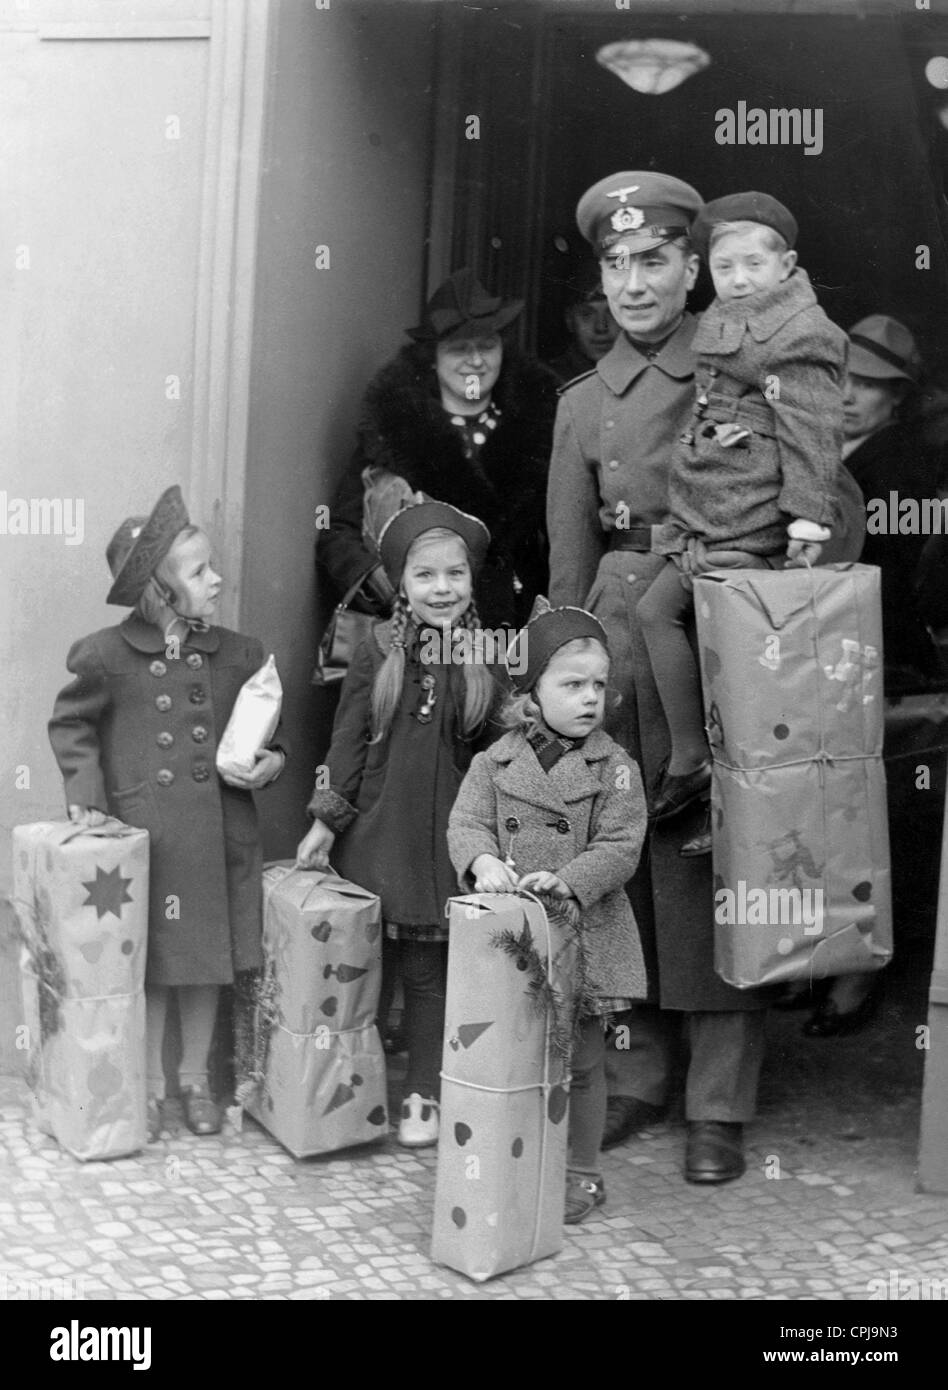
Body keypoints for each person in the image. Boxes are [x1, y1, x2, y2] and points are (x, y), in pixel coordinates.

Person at [546, 171, 867, 1182]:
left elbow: (833, 494)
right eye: (616, 263)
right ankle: (639, 1075)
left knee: (730, 863)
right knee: (623, 858)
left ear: (696, 268)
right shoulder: (580, 402)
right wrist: (556, 663)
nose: (635, 282)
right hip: (620, 640)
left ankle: (718, 1104)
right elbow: (563, 558)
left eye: (656, 261)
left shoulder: (746, 355)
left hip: (730, 628)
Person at [48, 485, 285, 1143]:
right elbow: (72, 723)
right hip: (148, 836)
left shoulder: (237, 653)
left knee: (205, 962)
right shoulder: (106, 654)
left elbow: (263, 734)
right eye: (199, 570)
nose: (216, 580)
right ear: (159, 586)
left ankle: (191, 1082)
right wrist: (86, 799)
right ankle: (150, 1087)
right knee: (152, 967)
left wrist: (273, 764)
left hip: (216, 833)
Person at [637, 193, 847, 838]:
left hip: (751, 519)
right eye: (724, 266)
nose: (739, 278)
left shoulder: (800, 333)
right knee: (654, 613)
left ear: (787, 266)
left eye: (753, 264)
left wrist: (807, 523)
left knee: (740, 656)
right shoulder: (727, 318)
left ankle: (740, 794)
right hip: (708, 504)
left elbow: (813, 433)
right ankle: (693, 759)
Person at [298, 499, 504, 1149]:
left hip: (443, 846)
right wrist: (326, 820)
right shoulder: (377, 649)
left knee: (426, 974)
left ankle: (423, 1091)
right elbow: (347, 742)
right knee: (365, 969)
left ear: (471, 581)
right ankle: (350, 1092)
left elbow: (497, 753)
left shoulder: (485, 655)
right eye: (425, 576)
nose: (441, 589)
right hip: (374, 839)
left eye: (455, 575)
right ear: (402, 584)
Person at [447, 600, 647, 1223]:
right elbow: (466, 821)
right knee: (511, 1052)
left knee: (581, 1061)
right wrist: (481, 861)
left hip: (583, 936)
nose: (591, 698)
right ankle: (513, 1158)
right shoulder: (493, 762)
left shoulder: (615, 770)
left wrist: (566, 879)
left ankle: (582, 1172)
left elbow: (621, 846)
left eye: (599, 686)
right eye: (573, 685)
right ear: (532, 694)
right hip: (512, 934)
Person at [798, 315, 942, 1038]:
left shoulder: (906, 472)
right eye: (844, 381)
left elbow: (908, 581)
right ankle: (820, 958)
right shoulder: (811, 450)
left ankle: (859, 970)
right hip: (807, 656)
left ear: (898, 400)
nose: (852, 397)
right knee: (812, 811)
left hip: (878, 657)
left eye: (873, 388)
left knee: (865, 818)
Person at [318, 268, 559, 630]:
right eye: (460, 348)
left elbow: (562, 533)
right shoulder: (394, 431)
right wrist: (380, 580)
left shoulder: (544, 426)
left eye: (487, 346)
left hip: (514, 623)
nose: (476, 361)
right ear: (433, 357)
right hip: (419, 629)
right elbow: (338, 530)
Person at [546, 263, 620, 385]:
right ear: (570, 321)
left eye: (612, 313)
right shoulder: (550, 381)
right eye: (587, 315)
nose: (601, 327)